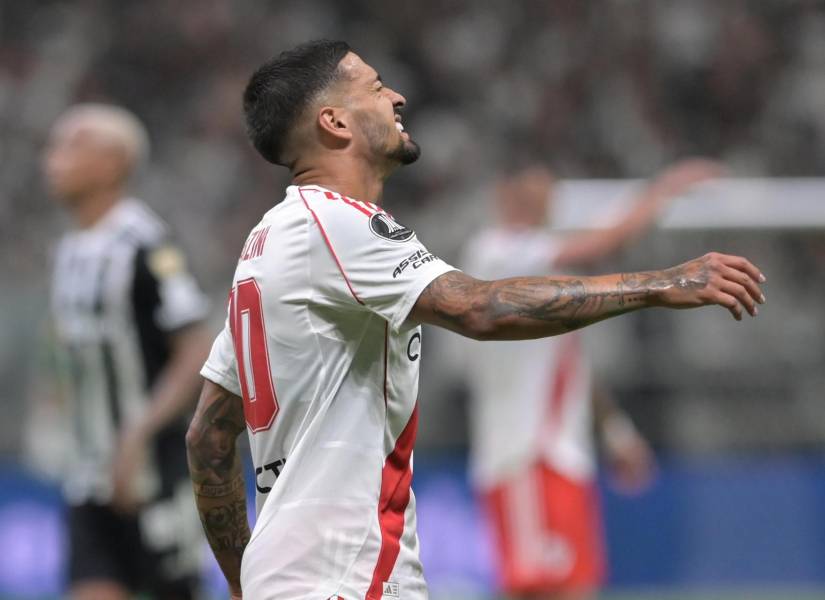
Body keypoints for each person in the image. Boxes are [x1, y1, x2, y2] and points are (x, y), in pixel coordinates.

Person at [185, 39, 766, 600]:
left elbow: (208, 436)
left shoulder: (264, 246)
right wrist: (661, 283)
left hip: (295, 576)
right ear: (335, 123)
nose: (398, 98)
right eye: (376, 87)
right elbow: (480, 308)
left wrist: (243, 580)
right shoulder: (336, 224)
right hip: (347, 574)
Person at [459, 160, 723, 599]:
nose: (540, 208)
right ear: (505, 199)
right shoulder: (496, 252)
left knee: (579, 586)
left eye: (545, 199)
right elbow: (603, 244)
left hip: (563, 456)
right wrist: (665, 191)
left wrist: (618, 432)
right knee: (540, 590)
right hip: (523, 454)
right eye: (530, 197)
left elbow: (571, 365)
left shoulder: (546, 269)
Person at [43, 104, 213, 600]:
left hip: (153, 474)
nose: (52, 160)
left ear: (114, 162)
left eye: (70, 145)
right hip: (88, 477)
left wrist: (137, 434)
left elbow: (195, 347)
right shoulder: (70, 250)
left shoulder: (144, 243)